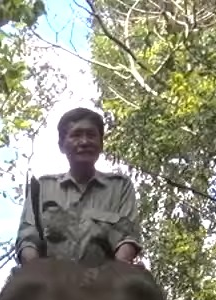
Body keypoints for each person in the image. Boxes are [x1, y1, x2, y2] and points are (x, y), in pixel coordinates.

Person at [16, 108, 143, 268]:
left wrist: (119, 271)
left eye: (91, 135)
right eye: (76, 135)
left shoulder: (120, 186)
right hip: (49, 281)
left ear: (101, 144)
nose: (84, 142)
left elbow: (128, 238)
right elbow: (28, 239)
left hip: (106, 281)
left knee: (144, 286)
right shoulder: (41, 188)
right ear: (62, 145)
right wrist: (35, 272)